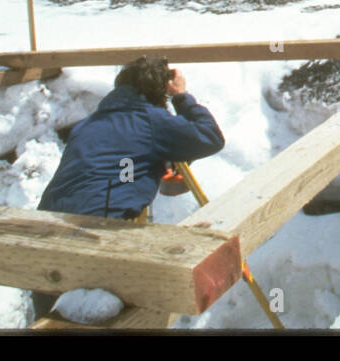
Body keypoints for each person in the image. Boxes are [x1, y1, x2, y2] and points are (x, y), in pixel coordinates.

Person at [31, 55, 225, 320]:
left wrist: (153, 162)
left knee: (49, 321)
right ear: (161, 92)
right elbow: (210, 136)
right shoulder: (151, 119)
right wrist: (182, 96)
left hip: (42, 233)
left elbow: (119, 160)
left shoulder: (87, 125)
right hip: (96, 237)